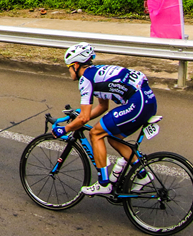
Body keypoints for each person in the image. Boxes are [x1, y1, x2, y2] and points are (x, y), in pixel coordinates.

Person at [54, 43, 158, 195]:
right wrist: (81, 117)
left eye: (69, 67)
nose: (69, 71)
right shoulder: (95, 73)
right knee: (113, 138)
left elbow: (84, 118)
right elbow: (102, 107)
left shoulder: (85, 80)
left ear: (76, 65)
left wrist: (65, 129)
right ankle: (142, 175)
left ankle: (103, 183)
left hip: (137, 102)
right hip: (147, 100)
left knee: (96, 133)